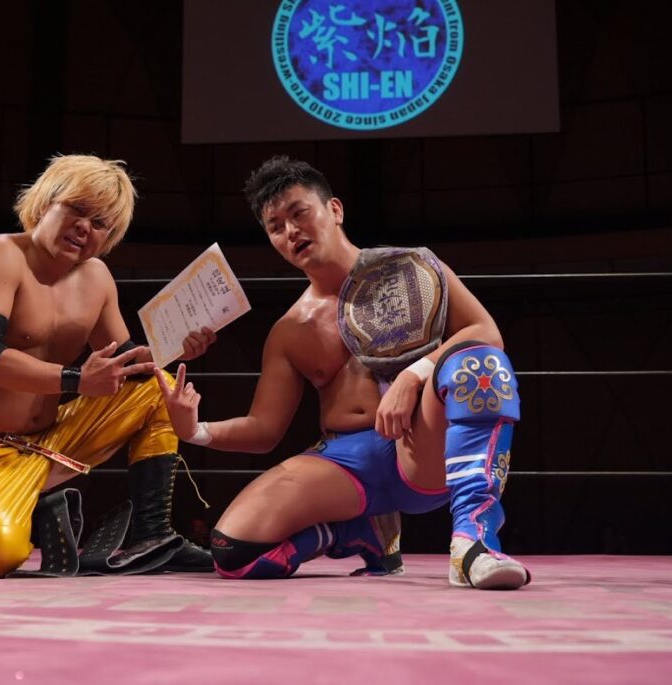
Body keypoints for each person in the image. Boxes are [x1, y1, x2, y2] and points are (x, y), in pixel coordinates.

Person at [156, 156, 530, 589]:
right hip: (348, 463)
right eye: (276, 227)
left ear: (334, 209)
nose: (291, 231)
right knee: (233, 552)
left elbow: (486, 332)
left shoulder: (413, 267)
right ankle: (355, 532)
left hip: (421, 444)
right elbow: (264, 429)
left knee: (480, 363)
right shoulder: (289, 330)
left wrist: (413, 376)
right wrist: (195, 431)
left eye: (299, 213)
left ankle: (473, 541)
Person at [0, 153, 215, 578]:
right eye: (77, 209)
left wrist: (174, 350)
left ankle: (152, 534)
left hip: (48, 441)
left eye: (100, 223)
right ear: (45, 202)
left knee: (158, 387)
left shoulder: (96, 278)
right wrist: (77, 379)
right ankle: (22, 509)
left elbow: (126, 364)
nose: (85, 227)